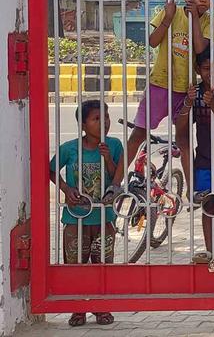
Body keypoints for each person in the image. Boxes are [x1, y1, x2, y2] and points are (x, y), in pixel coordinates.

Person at [105, 0, 214, 201]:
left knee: (184, 140)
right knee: (138, 134)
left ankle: (191, 190)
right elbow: (153, 41)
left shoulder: (209, 21)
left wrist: (195, 18)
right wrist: (167, 18)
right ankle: (116, 184)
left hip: (186, 90)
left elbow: (200, 49)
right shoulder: (172, 14)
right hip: (161, 83)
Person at [51, 100, 123, 327]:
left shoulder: (115, 145)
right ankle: (78, 310)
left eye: (107, 117)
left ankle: (102, 308)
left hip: (104, 218)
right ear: (83, 125)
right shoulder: (70, 149)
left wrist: (108, 158)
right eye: (96, 119)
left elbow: (116, 177)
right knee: (75, 264)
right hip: (75, 217)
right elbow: (52, 169)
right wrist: (66, 188)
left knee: (103, 264)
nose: (104, 123)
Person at [173, 44, 214, 267]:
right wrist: (188, 103)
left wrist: (213, 105)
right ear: (199, 70)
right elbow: (181, 127)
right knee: (208, 206)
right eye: (207, 69)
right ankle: (210, 250)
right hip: (204, 160)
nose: (212, 74)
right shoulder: (195, 92)